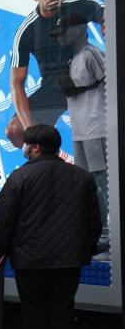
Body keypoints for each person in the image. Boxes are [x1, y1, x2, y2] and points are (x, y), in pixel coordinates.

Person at [0, 124, 100, 329]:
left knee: (34, 309)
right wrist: (84, 248)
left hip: (30, 258)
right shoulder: (81, 176)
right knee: (63, 308)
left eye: (26, 144)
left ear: (35, 147)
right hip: (68, 259)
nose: (24, 148)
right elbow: (94, 221)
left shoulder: (19, 177)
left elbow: (6, 219)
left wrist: (2, 250)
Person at [6, 0, 104, 148]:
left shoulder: (80, 4)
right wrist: (31, 133)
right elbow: (16, 82)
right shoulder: (27, 30)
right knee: (14, 130)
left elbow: (108, 16)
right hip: (54, 86)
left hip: (85, 76)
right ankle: (47, 158)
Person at [55, 15, 109, 259]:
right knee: (89, 183)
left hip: (97, 127)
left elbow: (109, 83)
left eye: (64, 30)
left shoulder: (91, 54)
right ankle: (99, 235)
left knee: (100, 183)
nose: (59, 36)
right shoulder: (73, 58)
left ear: (78, 30)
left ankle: (107, 236)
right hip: (81, 128)